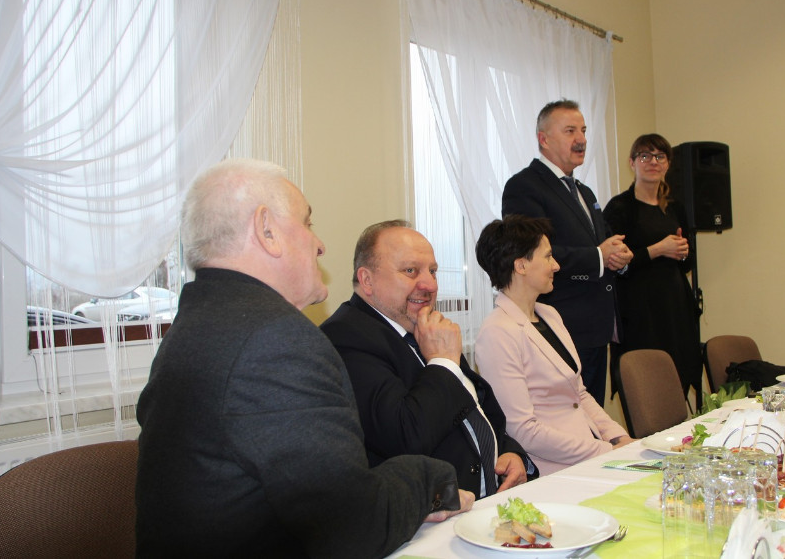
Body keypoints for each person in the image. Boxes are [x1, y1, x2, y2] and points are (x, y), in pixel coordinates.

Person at [135, 160, 472, 558]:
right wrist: (433, 478)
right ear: (266, 230)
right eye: (307, 223)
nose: (320, 245)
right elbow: (353, 526)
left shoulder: (195, 325)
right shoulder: (275, 341)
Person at [320, 221, 534, 499]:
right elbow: (404, 437)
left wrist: (510, 451)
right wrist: (443, 362)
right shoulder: (346, 337)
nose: (430, 285)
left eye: (432, 271)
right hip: (431, 513)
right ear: (367, 280)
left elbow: (478, 409)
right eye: (410, 271)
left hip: (490, 500)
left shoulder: (424, 326)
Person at [473, 216, 634, 475]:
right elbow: (523, 431)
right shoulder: (497, 333)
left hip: (591, 452)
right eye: (548, 257)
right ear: (521, 265)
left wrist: (619, 438)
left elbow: (579, 394)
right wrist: (604, 451)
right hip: (553, 469)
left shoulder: (549, 314)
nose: (556, 266)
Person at [502, 99, 632, 405]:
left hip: (597, 328)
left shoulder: (584, 192)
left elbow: (603, 243)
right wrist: (599, 257)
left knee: (594, 418)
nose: (581, 139)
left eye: (583, 130)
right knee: (568, 421)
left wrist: (620, 256)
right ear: (544, 139)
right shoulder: (523, 186)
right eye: (570, 131)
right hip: (560, 326)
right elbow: (530, 252)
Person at [603, 134, 702, 395]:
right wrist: (658, 250)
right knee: (647, 388)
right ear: (632, 162)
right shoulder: (619, 207)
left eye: (660, 156)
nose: (653, 162)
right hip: (639, 312)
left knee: (678, 382)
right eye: (645, 156)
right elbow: (615, 265)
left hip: (675, 308)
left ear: (668, 164)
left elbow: (688, 263)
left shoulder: (676, 208)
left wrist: (682, 253)